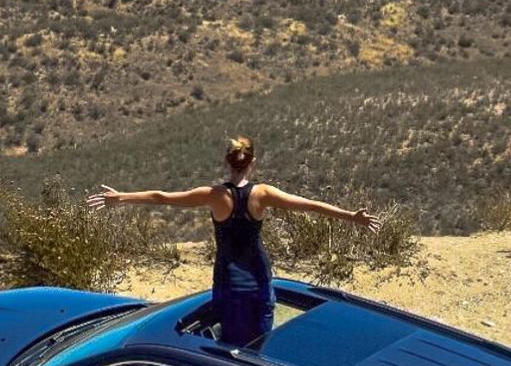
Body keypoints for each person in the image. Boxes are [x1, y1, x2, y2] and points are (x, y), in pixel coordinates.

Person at [86, 137, 380, 345]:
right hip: (259, 277)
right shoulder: (262, 194)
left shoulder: (215, 196)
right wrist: (352, 217)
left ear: (228, 163)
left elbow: (163, 197)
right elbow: (309, 204)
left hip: (228, 279)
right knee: (261, 343)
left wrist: (121, 198)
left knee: (230, 344)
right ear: (252, 162)